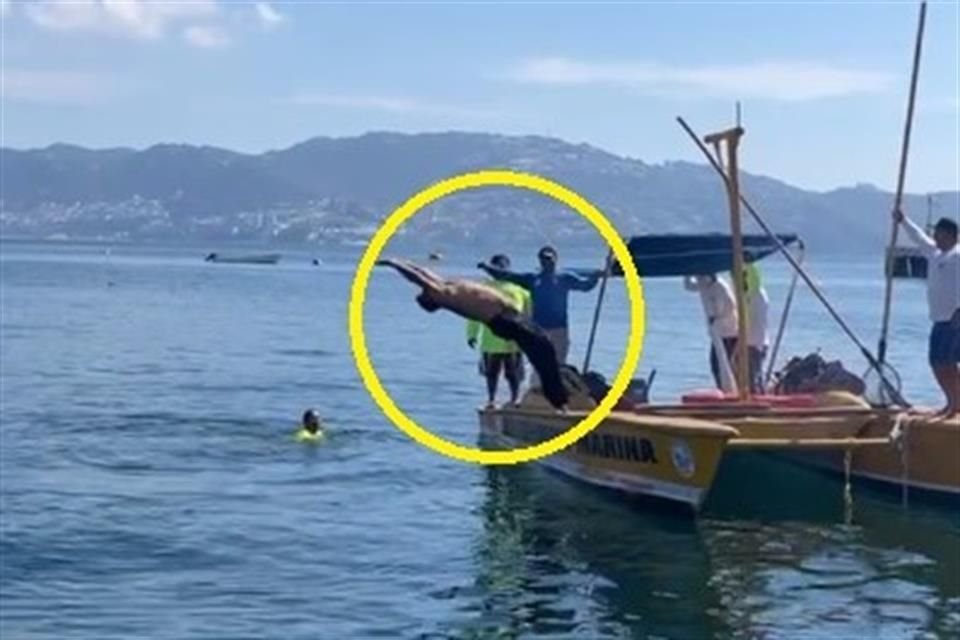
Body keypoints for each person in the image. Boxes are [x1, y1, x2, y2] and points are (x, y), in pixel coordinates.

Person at [376, 257, 569, 409]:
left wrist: (402, 261)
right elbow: (415, 277)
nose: (423, 288)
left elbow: (421, 272)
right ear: (429, 299)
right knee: (542, 351)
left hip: (510, 316)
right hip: (503, 322)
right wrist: (394, 264)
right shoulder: (441, 294)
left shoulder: (443, 285)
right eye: (422, 293)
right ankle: (560, 403)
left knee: (546, 347)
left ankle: (560, 398)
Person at [477, 245, 600, 366]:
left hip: (560, 330)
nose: (547, 262)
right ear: (540, 261)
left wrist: (595, 277)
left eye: (550, 259)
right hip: (539, 330)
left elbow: (586, 286)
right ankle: (537, 385)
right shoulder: (532, 279)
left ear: (556, 259)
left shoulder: (565, 278)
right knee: (539, 366)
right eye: (544, 259)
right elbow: (507, 275)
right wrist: (487, 268)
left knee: (559, 366)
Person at [894, 210, 960, 415]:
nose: (935, 238)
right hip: (938, 319)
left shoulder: (957, 256)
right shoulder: (935, 253)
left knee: (948, 362)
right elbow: (918, 237)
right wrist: (903, 220)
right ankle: (952, 401)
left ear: (949, 235)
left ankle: (956, 404)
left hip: (954, 318)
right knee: (936, 362)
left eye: (939, 234)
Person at [467, 254, 532, 407]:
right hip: (507, 341)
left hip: (497, 342)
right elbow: (529, 317)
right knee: (510, 374)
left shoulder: (486, 290)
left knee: (495, 374)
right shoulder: (520, 291)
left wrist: (472, 335)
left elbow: (473, 312)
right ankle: (511, 399)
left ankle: (495, 400)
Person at [684, 273, 739, 390]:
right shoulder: (703, 284)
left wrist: (716, 318)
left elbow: (728, 307)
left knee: (723, 364)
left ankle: (729, 389)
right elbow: (689, 286)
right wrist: (687, 272)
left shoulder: (720, 287)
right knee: (715, 364)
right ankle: (723, 388)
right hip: (717, 333)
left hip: (729, 332)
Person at [743, 263, 770, 394]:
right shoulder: (760, 295)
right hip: (760, 340)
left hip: (753, 342)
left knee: (752, 376)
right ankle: (759, 395)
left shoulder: (754, 297)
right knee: (757, 375)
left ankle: (755, 399)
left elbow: (750, 320)